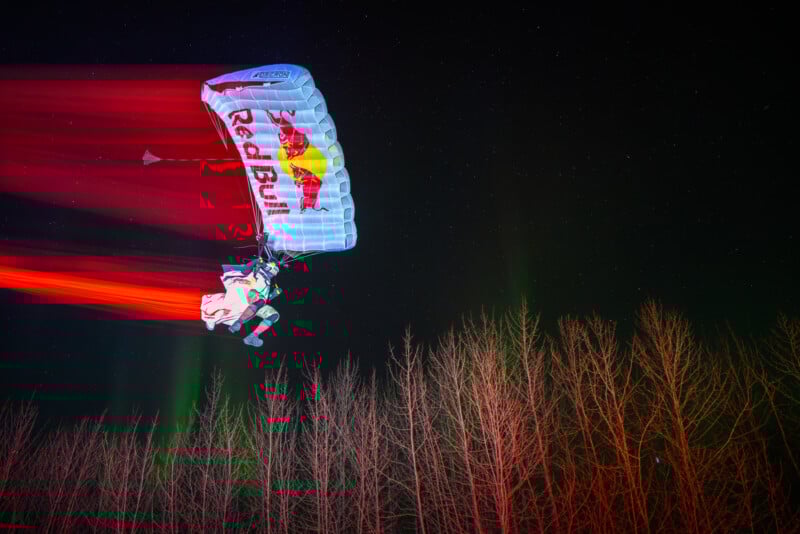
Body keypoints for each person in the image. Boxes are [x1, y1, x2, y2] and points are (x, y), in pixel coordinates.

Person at [201, 256, 283, 347]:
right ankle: (213, 319)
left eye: (275, 272)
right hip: (242, 296)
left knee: (274, 315)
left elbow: (262, 300)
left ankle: (252, 337)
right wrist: (255, 262)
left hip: (251, 307)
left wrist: (273, 295)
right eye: (273, 269)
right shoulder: (257, 272)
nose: (273, 274)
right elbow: (244, 271)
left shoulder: (267, 283)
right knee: (227, 305)